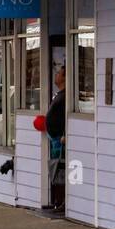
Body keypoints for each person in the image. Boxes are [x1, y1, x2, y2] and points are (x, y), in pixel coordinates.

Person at [44, 64, 67, 213]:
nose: (56, 75)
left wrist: (65, 134)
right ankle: (56, 200)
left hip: (60, 139)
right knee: (54, 169)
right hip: (54, 138)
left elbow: (66, 118)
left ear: (65, 77)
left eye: (59, 73)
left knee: (60, 170)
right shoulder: (59, 94)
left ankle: (62, 202)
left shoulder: (66, 96)